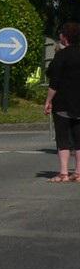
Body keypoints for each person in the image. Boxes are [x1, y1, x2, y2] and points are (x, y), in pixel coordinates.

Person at [45, 21, 80, 182]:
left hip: (63, 103)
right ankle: (78, 172)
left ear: (65, 37)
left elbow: (54, 81)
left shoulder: (61, 55)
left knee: (63, 136)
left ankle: (64, 173)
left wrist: (48, 101)